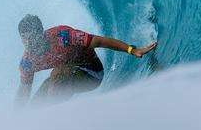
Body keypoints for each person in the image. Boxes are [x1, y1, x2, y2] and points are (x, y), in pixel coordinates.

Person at [16, 14, 157, 105]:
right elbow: (23, 91)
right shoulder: (28, 62)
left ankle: (53, 119)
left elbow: (100, 41)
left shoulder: (63, 36)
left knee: (58, 73)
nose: (28, 44)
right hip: (67, 78)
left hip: (92, 73)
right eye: (24, 40)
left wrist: (131, 50)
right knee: (37, 101)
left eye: (32, 38)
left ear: (41, 34)